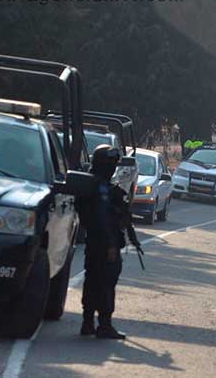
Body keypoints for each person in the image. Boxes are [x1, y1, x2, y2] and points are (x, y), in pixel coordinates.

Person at [79, 145, 141, 340]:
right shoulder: (102, 190)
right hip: (105, 244)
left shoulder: (96, 186)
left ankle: (88, 322)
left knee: (92, 281)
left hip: (94, 243)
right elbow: (102, 219)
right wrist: (111, 246)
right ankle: (104, 325)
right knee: (106, 283)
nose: (114, 168)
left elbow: (121, 216)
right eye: (112, 164)